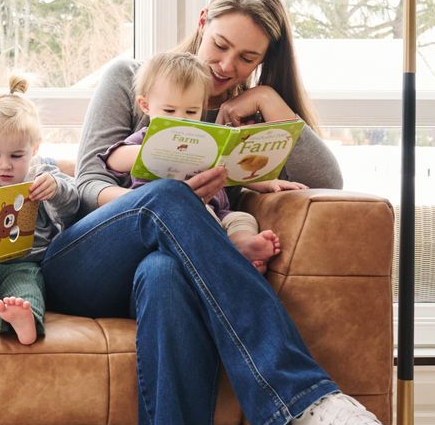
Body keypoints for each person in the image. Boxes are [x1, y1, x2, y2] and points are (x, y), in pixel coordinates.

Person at [42, 0, 421, 425]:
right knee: (166, 203)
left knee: (166, 279)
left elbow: (327, 180)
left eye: (248, 59)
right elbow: (86, 183)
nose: (228, 65)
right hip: (87, 259)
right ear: (202, 23)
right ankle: (308, 401)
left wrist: (269, 102)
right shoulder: (133, 77)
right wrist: (173, 195)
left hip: (171, 271)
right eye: (221, 45)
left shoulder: (244, 110)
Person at [101, 50, 304, 272]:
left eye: (191, 111)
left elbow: (230, 169)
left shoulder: (206, 140)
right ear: (146, 105)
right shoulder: (148, 137)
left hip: (219, 212)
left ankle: (243, 245)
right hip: (171, 216)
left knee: (242, 219)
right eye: (169, 110)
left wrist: (266, 183)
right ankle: (225, 258)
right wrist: (153, 150)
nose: (181, 118)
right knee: (201, 214)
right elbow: (113, 159)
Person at [0, 74, 81, 345]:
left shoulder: (42, 177)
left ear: (34, 148)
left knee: (26, 289)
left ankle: (25, 317)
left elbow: (73, 206)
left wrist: (55, 189)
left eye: (16, 156)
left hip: (26, 263)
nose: (5, 165)